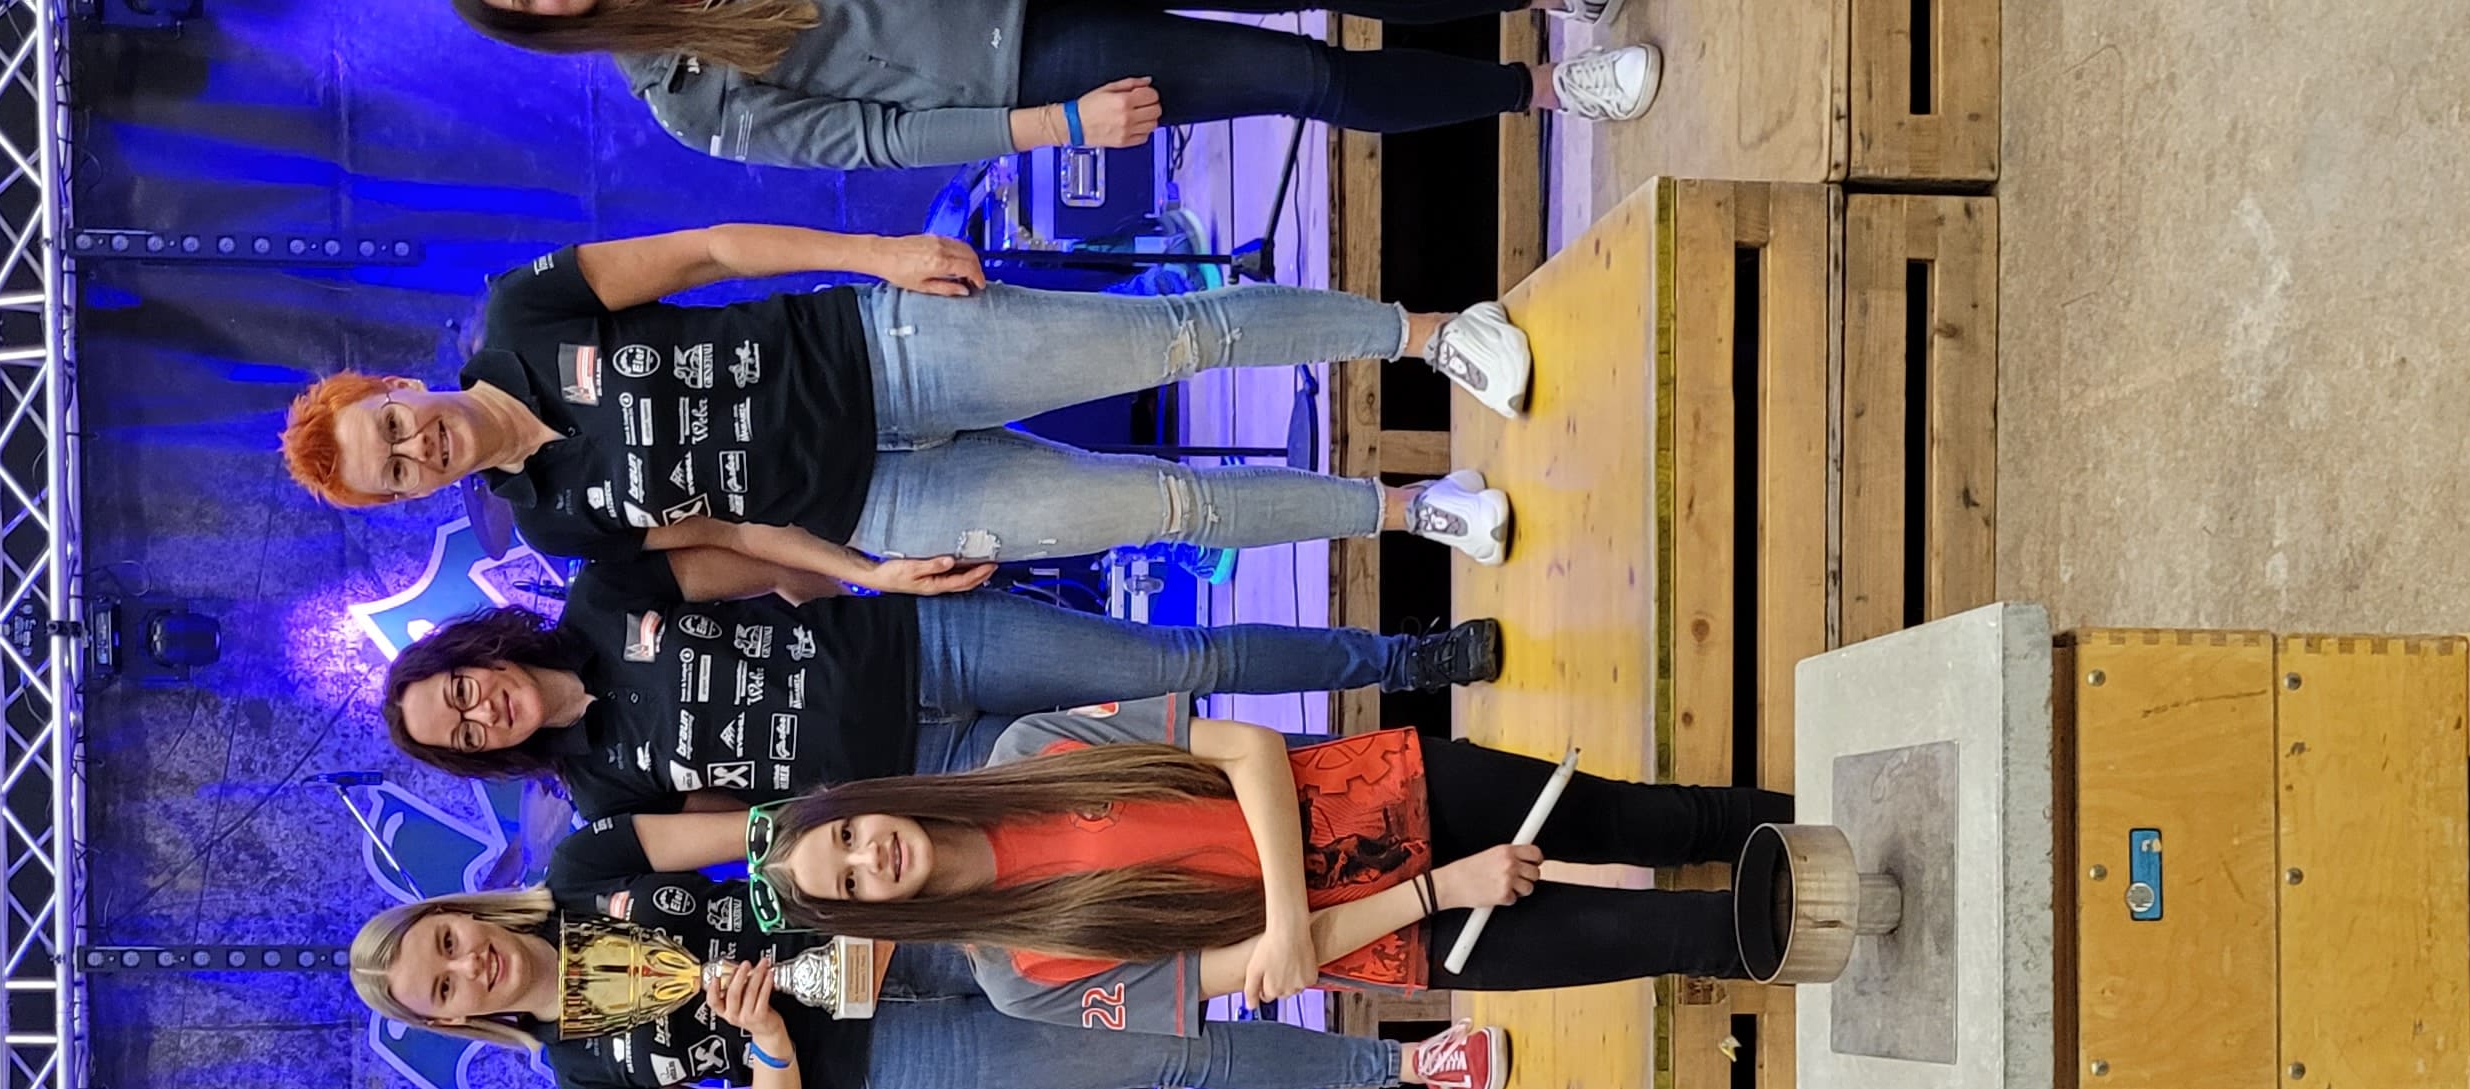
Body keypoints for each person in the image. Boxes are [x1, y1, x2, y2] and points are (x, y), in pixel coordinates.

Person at [277, 226, 1529, 571]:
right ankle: (1416, 509)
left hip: (886, 350)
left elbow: (710, 252)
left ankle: (1431, 335)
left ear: (394, 386)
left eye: (391, 425)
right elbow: (727, 535)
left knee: (1176, 338)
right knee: (1171, 511)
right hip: (886, 503)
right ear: (415, 496)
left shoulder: (521, 317)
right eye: (401, 470)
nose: (417, 445)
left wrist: (880, 256)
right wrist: (867, 572)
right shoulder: (554, 525)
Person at [629, 693, 1799, 1037]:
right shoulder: (1021, 977)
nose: (867, 857)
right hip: (1410, 928)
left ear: (864, 804)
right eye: (850, 883)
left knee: (1655, 818)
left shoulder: (1027, 749)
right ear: (872, 917)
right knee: (1677, 939)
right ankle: (1846, 929)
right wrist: (1439, 891)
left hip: (1381, 791)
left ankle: (1829, 819)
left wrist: (1293, 912)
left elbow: (1245, 750)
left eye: (845, 833)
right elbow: (1261, 968)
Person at [344, 859, 1510, 1089]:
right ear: (452, 1021)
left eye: (443, 943)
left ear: (457, 911)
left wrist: (851, 878)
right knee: (1162, 1040)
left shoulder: (584, 868)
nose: (466, 966)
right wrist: (765, 1042)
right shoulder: (582, 1078)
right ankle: (1411, 1068)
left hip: (906, 916)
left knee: (1152, 925)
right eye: (442, 988)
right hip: (900, 1054)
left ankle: (1383, 915)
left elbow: (758, 823)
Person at [377, 573, 1502, 820]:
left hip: (929, 647)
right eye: (461, 734)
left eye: (459, 691)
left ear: (473, 653)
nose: (480, 713)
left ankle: (1405, 660)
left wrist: (877, 580)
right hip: (925, 779)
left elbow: (756, 557)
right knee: (1170, 771)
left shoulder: (600, 595)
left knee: (1177, 661)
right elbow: (741, 821)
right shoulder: (599, 791)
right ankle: (1400, 780)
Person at [447, 0, 1661, 172]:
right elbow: (872, 142)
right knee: (1299, 73)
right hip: (1030, 61)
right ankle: (1547, 88)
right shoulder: (682, 92)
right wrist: (1052, 126)